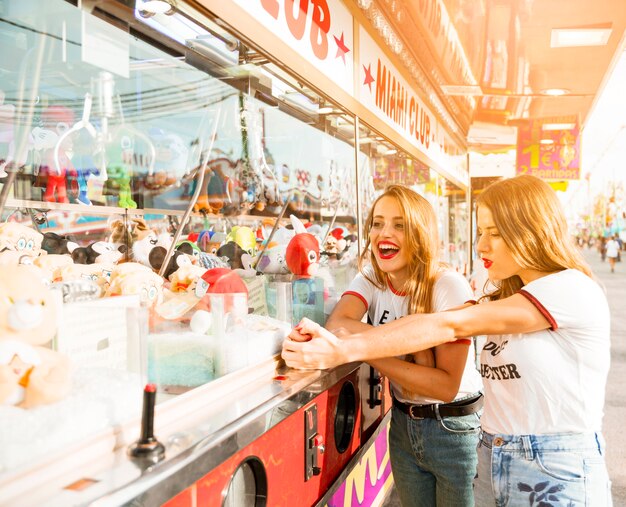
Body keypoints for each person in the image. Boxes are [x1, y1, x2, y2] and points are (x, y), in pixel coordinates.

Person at [283, 175, 612, 506]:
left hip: (550, 466)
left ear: (532, 231)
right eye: (480, 232)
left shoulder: (570, 289)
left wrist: (344, 350)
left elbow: (451, 325)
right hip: (492, 451)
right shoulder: (506, 296)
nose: (481, 245)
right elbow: (430, 325)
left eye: (494, 233)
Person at [324, 185, 482, 506]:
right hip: (402, 425)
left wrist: (366, 346)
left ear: (420, 234)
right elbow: (338, 325)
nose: (385, 233)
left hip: (452, 429)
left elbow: (444, 386)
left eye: (399, 225)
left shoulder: (447, 285)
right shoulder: (371, 277)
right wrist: (390, 348)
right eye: (378, 223)